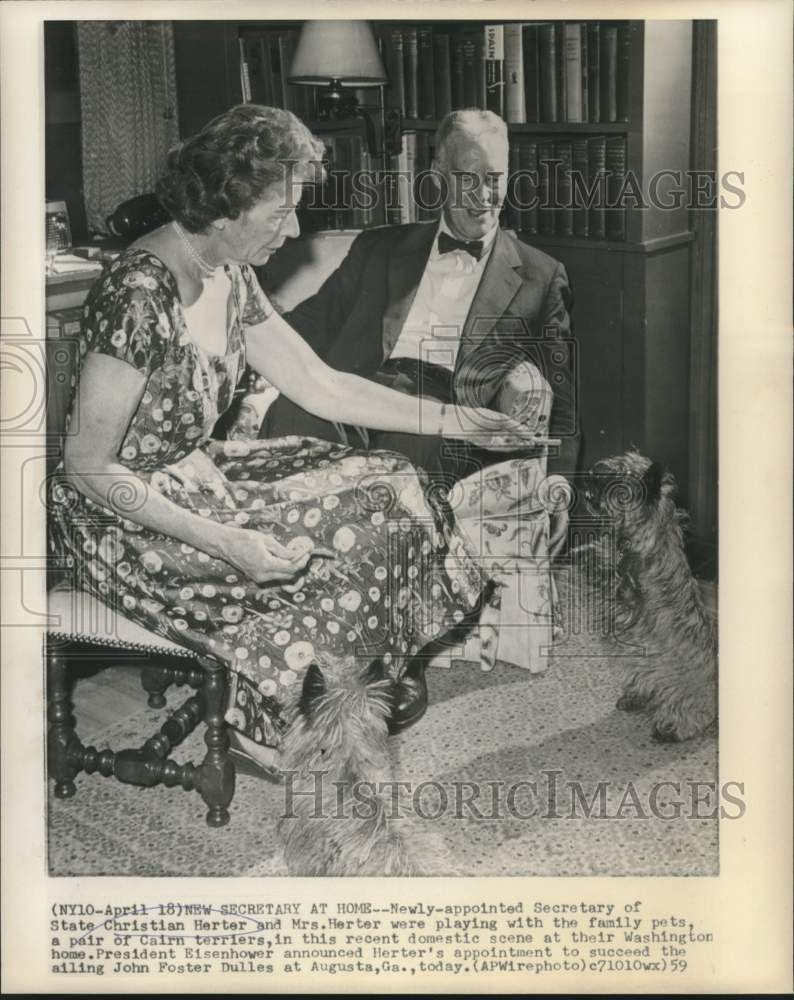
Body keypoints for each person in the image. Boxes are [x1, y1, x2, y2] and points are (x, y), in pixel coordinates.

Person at [48, 105, 542, 777]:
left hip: (196, 476)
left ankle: (337, 696)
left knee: (394, 490)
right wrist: (228, 541)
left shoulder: (230, 273)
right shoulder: (138, 294)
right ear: (224, 210)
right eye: (281, 214)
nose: (297, 228)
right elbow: (85, 466)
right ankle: (271, 721)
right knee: (330, 542)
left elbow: (320, 384)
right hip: (122, 521)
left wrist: (460, 420)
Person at [261, 108, 578, 480]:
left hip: (442, 410)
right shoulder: (378, 247)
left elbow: (563, 399)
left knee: (407, 464)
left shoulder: (540, 276)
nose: (484, 195)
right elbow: (312, 322)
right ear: (439, 176)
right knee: (290, 415)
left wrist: (559, 485)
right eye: (467, 178)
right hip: (358, 389)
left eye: (494, 178)